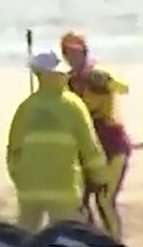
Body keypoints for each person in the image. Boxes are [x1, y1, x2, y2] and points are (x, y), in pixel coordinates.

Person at [6, 50, 108, 233]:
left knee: (25, 237)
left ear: (37, 74)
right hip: (64, 187)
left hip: (29, 187)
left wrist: (18, 177)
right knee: (67, 236)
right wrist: (99, 177)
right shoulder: (73, 105)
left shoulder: (27, 106)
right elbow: (89, 147)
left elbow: (13, 149)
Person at [61, 31, 132, 240]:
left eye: (76, 52)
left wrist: (106, 79)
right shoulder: (67, 83)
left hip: (112, 148)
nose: (72, 57)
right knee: (79, 202)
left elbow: (122, 87)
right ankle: (90, 243)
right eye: (68, 53)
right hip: (87, 151)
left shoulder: (97, 74)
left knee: (105, 200)